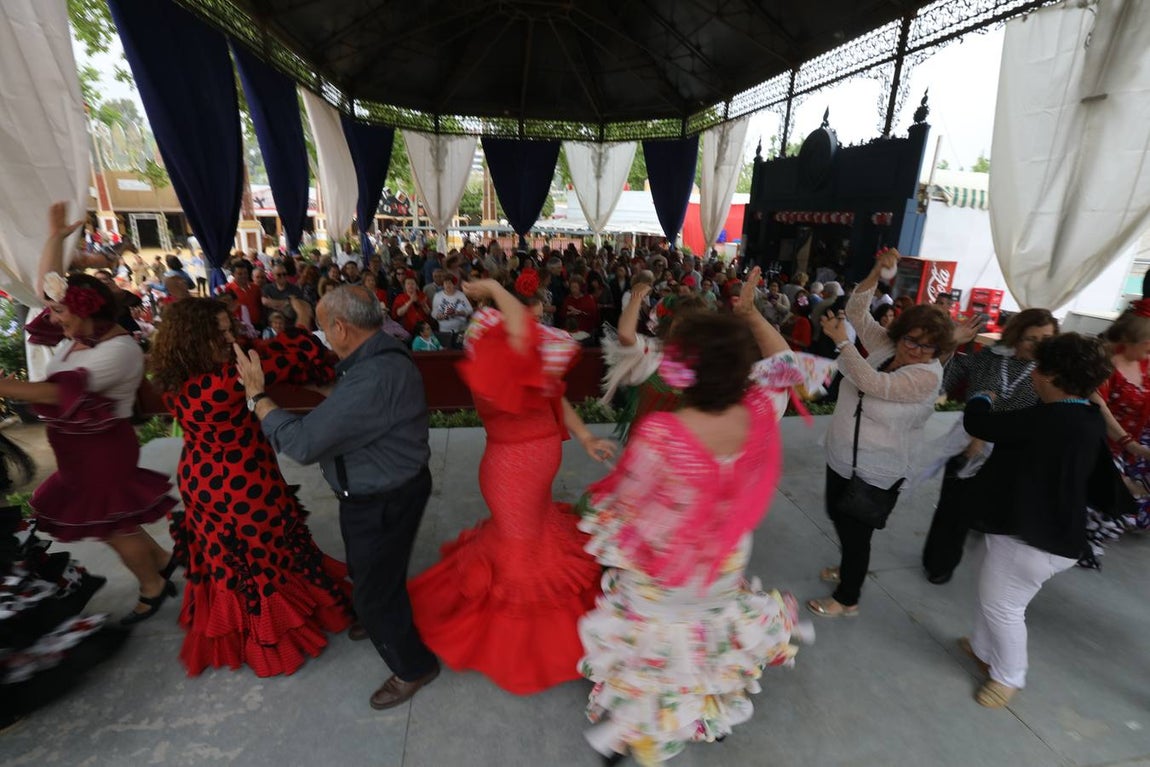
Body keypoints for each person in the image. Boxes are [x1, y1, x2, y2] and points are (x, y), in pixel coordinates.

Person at [576, 276, 811, 765]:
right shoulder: (762, 409)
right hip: (724, 560)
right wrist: (751, 314)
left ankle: (633, 729)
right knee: (707, 636)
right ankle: (703, 713)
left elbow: (631, 509)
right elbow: (787, 363)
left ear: (683, 372)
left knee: (654, 645)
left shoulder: (664, 433)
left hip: (667, 567)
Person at [407, 271, 617, 695]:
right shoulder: (494, 350)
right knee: (520, 549)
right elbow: (520, 332)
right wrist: (494, 290)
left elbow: (552, 392)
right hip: (512, 469)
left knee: (531, 540)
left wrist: (585, 435)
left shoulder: (524, 351)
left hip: (535, 462)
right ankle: (525, 648)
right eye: (535, 312)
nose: (539, 320)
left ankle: (536, 641)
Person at [235, 285, 439, 709]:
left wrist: (258, 396)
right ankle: (377, 614)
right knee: (374, 571)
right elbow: (362, 407)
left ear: (342, 328)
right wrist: (328, 392)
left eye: (325, 328)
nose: (324, 337)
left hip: (382, 498)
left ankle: (414, 667)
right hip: (386, 490)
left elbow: (303, 444)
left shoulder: (374, 375)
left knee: (373, 590)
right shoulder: (377, 355)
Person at [150, 299, 353, 677]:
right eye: (221, 334)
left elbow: (266, 349)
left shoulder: (179, 377)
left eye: (231, 329)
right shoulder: (225, 381)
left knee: (230, 560)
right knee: (261, 557)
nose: (231, 339)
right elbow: (287, 358)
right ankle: (271, 639)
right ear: (195, 340)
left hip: (202, 478)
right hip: (239, 483)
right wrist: (306, 329)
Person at [3, 203, 177, 625]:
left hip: (102, 451)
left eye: (60, 311)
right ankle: (162, 561)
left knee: (112, 527)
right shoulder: (80, 332)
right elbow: (49, 289)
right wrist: (55, 237)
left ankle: (153, 587)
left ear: (84, 311)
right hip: (79, 453)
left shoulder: (118, 351)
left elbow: (53, 391)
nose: (51, 315)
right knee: (117, 522)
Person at [959, 333, 1125, 707]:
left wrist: (982, 396)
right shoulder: (1087, 416)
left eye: (1037, 368)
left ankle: (1009, 676)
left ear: (1049, 376)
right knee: (992, 594)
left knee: (1004, 607)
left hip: (1033, 539)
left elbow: (981, 424)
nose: (1032, 374)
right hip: (1039, 527)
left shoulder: (1047, 419)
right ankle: (983, 649)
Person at [808, 248, 954, 618]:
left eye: (927, 346)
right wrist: (877, 271)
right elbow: (858, 311)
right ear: (901, 334)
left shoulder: (925, 376)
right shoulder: (889, 346)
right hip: (844, 454)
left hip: (876, 468)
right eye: (911, 339)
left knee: (856, 532)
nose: (915, 350)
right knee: (836, 513)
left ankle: (847, 598)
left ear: (938, 349)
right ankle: (849, 567)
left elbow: (873, 383)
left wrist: (843, 343)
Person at [921, 309, 1058, 584]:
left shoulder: (1052, 373)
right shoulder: (991, 357)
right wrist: (951, 343)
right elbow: (943, 378)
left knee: (995, 516)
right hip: (966, 442)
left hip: (1011, 452)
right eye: (1031, 338)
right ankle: (939, 563)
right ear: (1016, 336)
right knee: (953, 508)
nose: (1038, 346)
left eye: (1046, 339)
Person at [1084, 302, 1150, 563]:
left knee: (1113, 507)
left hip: (1124, 447)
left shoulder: (1143, 366)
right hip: (1099, 444)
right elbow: (1100, 410)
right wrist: (1130, 444)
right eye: (1147, 347)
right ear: (1132, 340)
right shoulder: (1106, 367)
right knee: (1107, 502)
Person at [600, 284, 708, 443]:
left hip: (683, 448)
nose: (689, 329)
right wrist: (636, 298)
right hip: (644, 447)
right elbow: (625, 336)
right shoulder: (652, 351)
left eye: (696, 324)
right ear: (670, 323)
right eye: (683, 321)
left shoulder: (705, 361)